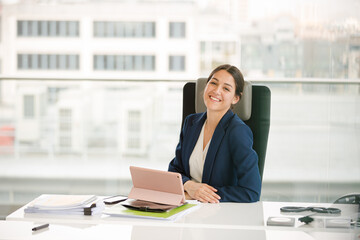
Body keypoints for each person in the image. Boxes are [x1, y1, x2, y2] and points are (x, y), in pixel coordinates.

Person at [168, 64, 261, 203]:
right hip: (185, 207)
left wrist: (201, 195)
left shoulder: (237, 131)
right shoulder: (191, 123)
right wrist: (190, 186)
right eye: (213, 83)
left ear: (235, 98)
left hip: (219, 213)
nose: (217, 91)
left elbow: (251, 191)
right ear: (205, 87)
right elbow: (175, 170)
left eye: (226, 88)